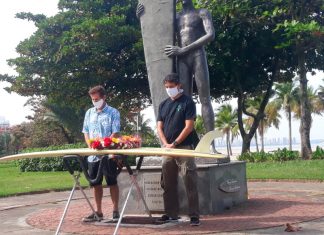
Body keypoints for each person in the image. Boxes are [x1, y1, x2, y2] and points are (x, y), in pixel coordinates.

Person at [157, 73, 200, 226]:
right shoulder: (163, 104)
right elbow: (159, 127)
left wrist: (174, 143)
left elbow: (189, 127)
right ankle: (170, 214)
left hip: (184, 148)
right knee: (167, 183)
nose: (169, 90)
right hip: (167, 149)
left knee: (189, 180)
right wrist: (166, 144)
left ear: (179, 85)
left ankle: (194, 215)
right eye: (167, 87)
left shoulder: (188, 102)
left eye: (172, 87)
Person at [82, 85, 120, 222]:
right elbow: (85, 131)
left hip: (108, 154)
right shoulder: (89, 113)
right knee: (95, 183)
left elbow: (115, 132)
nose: (94, 101)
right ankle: (98, 211)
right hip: (93, 155)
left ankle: (115, 210)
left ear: (104, 97)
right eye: (92, 99)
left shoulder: (113, 112)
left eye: (97, 99)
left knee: (112, 181)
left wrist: (104, 144)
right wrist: (90, 145)